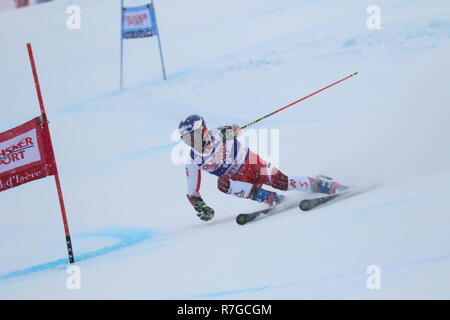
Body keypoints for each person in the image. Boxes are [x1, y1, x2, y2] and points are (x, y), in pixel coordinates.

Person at [179, 114, 348, 221]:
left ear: (203, 130)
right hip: (240, 180)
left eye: (193, 136)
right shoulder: (193, 160)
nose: (192, 142)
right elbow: (192, 191)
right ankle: (270, 198)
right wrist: (200, 207)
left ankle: (324, 185)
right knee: (223, 183)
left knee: (283, 182)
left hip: (253, 165)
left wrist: (232, 132)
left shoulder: (216, 134)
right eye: (186, 139)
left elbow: (234, 129)